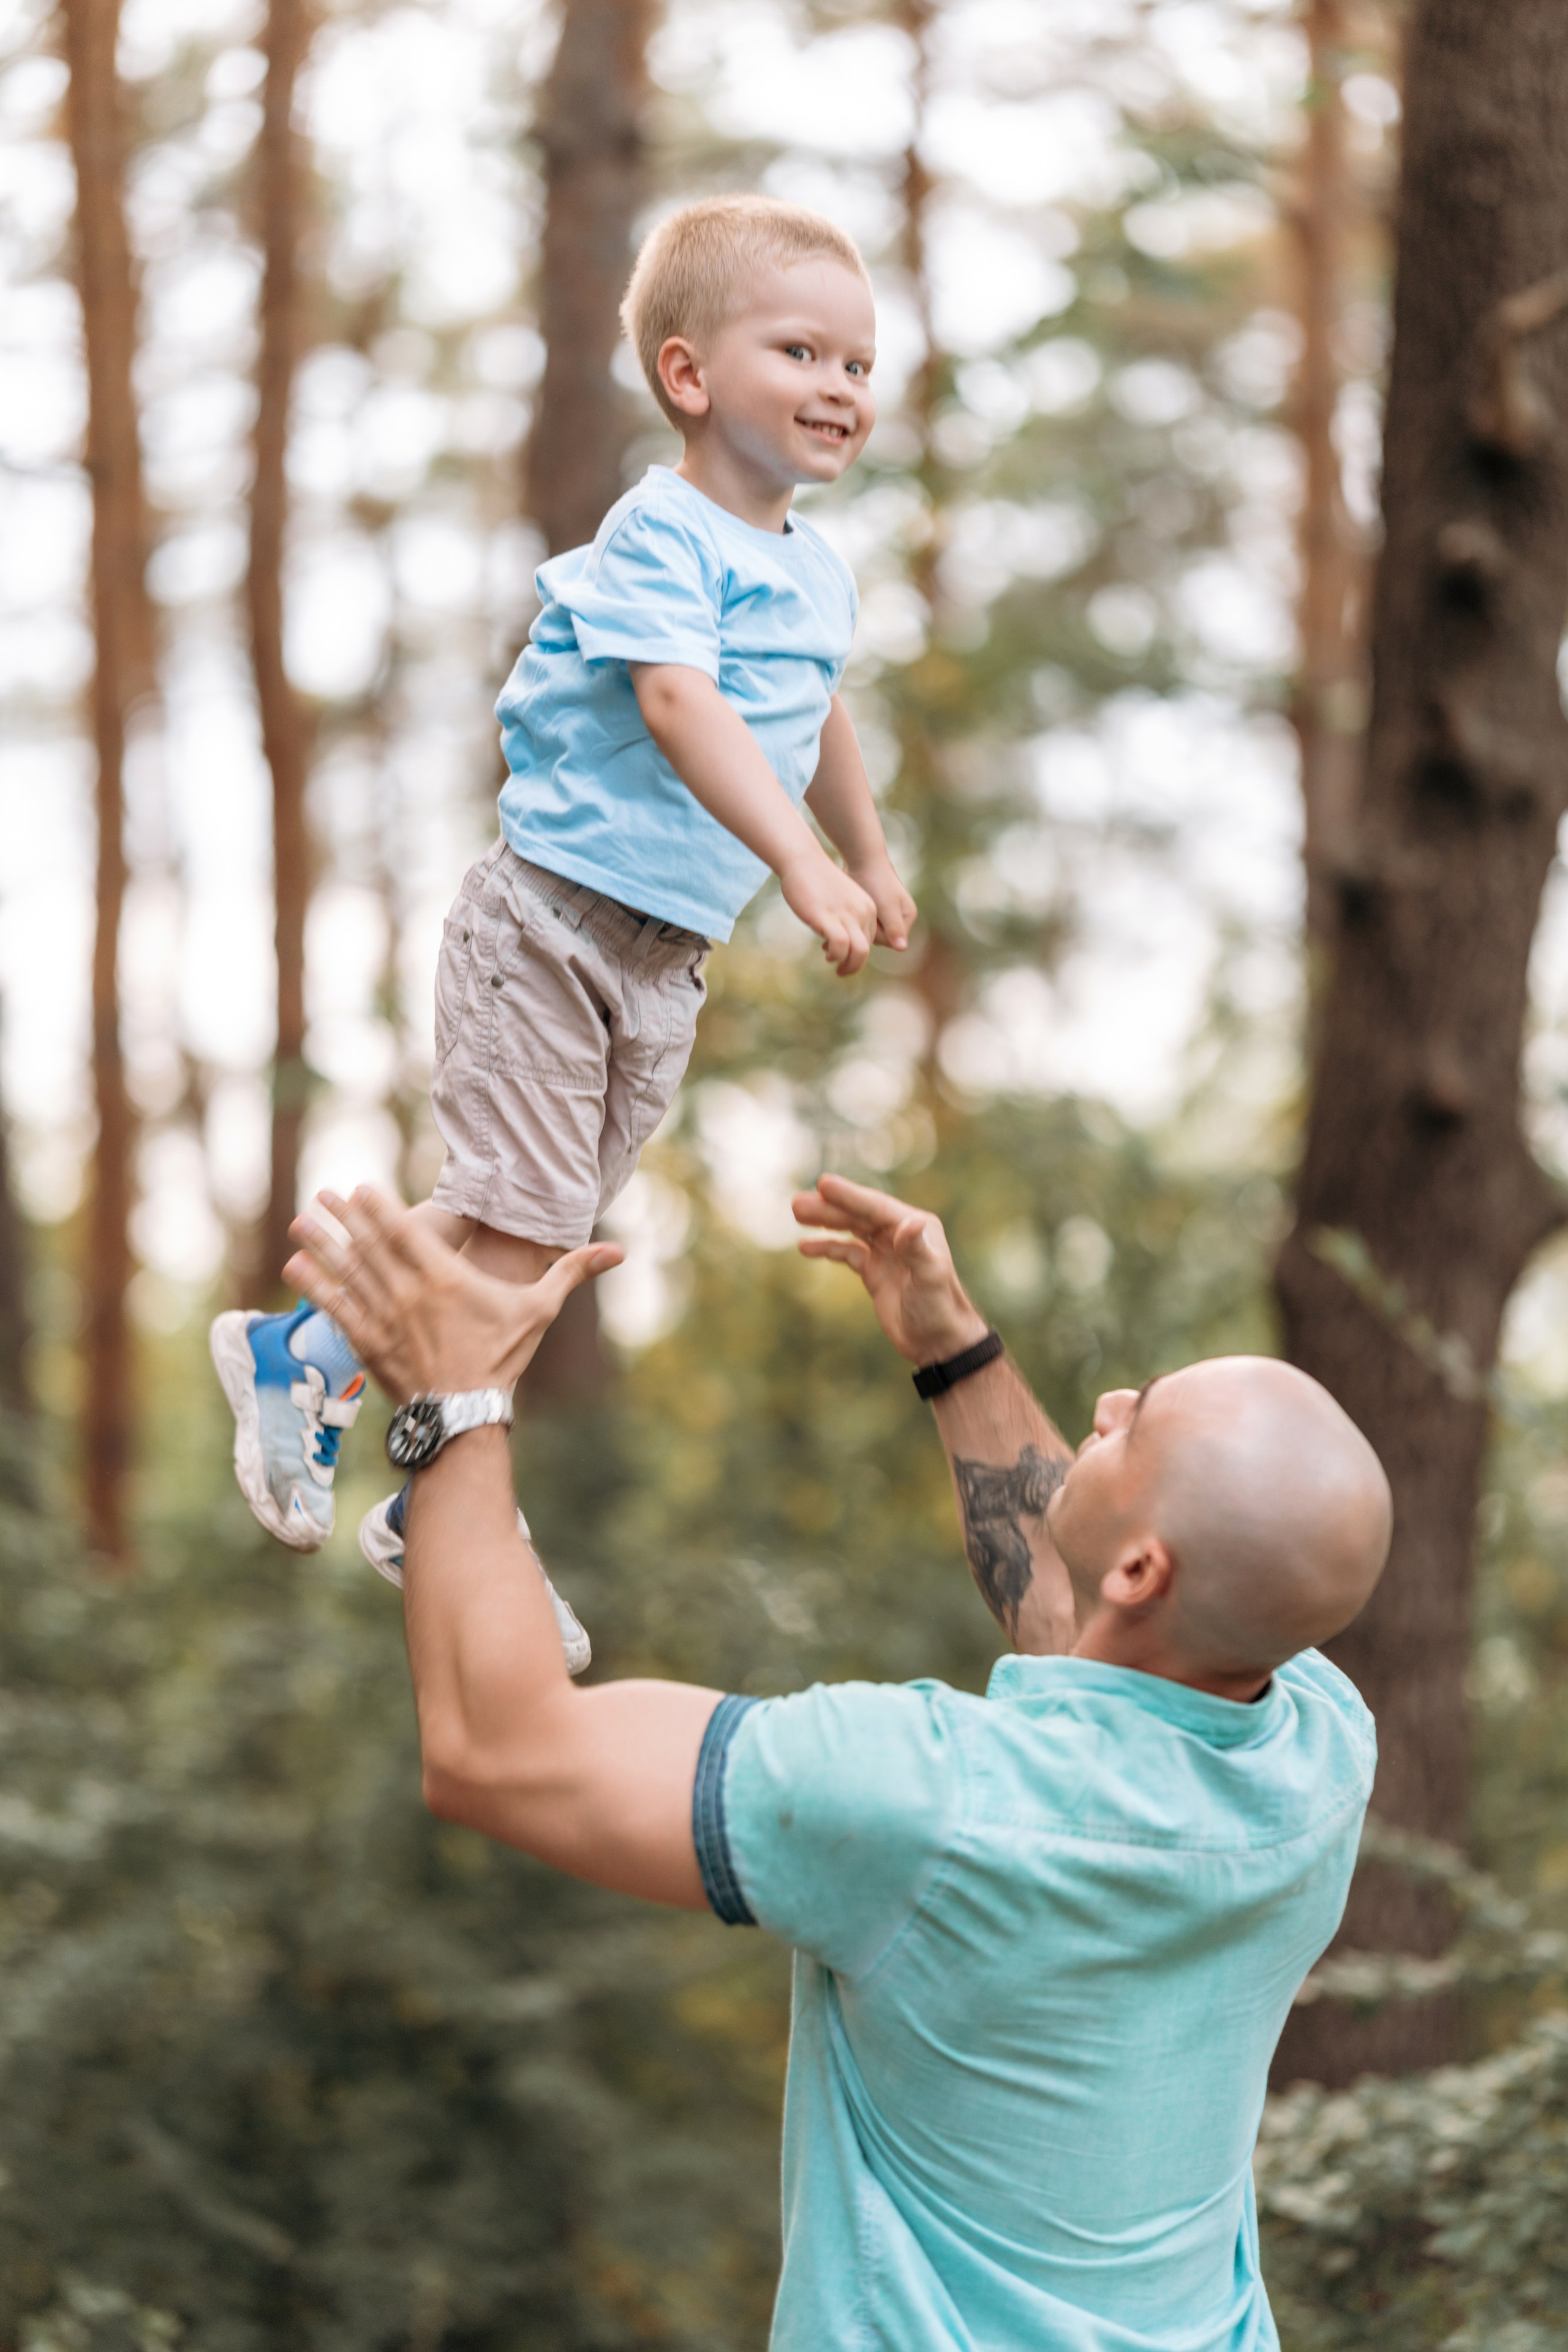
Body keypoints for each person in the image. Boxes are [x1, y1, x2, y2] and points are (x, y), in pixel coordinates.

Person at [282, 1171, 1392, 2352]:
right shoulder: (1319, 1755)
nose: (1110, 1403)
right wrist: (952, 1350)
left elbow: (499, 1753)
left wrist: (451, 1401)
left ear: (1143, 1572)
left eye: (1139, 1422)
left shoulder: (927, 1806)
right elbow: (1104, 1632)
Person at [209, 195, 916, 1656]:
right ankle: (444, 1478)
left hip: (659, 965)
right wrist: (796, 863)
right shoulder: (663, 532)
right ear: (688, 375)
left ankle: (314, 1357)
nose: (841, 386)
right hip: (549, 929)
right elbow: (681, 700)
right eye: (802, 351)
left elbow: (811, 703)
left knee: (515, 1224)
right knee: (526, 1221)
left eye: (858, 362)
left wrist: (867, 844)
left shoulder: (816, 570)